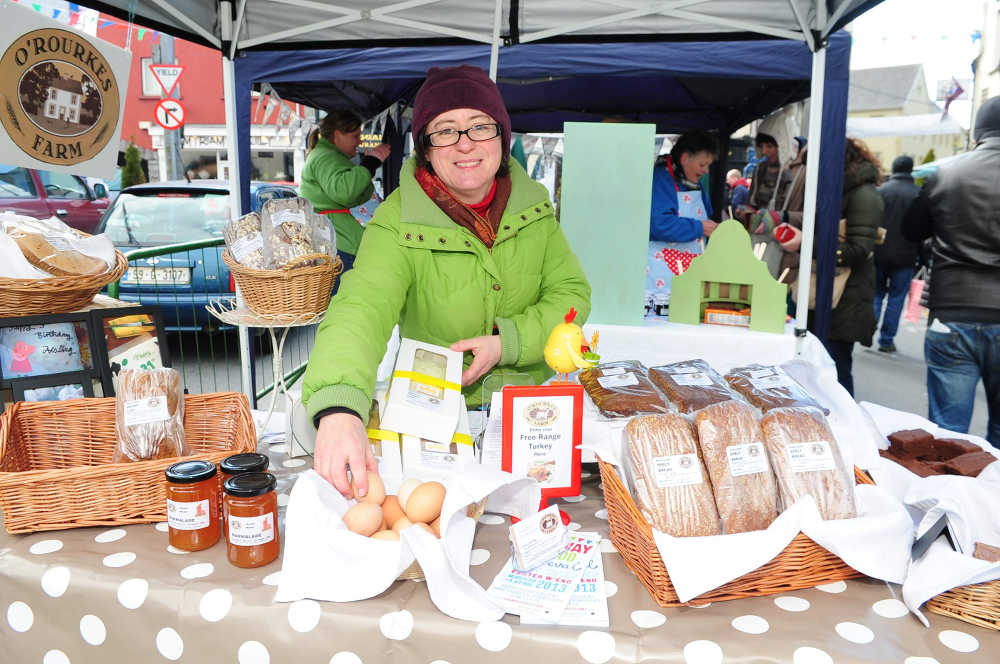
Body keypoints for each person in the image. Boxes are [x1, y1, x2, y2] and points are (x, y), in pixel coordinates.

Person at [301, 65, 591, 496]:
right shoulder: (398, 221)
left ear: (502, 136)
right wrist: (340, 406)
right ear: (426, 148)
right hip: (434, 425)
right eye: (445, 130)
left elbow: (571, 295)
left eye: (480, 127)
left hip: (530, 425)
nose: (465, 144)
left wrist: (506, 342)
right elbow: (361, 308)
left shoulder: (534, 209)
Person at [902, 96, 1000, 446]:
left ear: (978, 132)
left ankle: (952, 500)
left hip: (952, 311)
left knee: (947, 433)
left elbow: (911, 229)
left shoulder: (946, 174)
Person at [819, 138, 882, 396]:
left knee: (837, 370)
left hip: (848, 296)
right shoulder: (846, 189)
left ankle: (846, 430)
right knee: (828, 368)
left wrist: (809, 246)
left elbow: (859, 249)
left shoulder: (864, 194)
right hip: (835, 293)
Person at [299, 110, 391, 279]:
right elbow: (345, 192)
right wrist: (371, 163)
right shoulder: (326, 158)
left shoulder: (326, 156)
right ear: (337, 135)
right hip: (339, 244)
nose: (360, 141)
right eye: (355, 136)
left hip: (337, 241)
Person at [646, 130, 718, 314]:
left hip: (690, 270)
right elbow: (658, 224)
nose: (706, 170)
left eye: (708, 165)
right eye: (702, 164)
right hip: (662, 276)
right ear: (685, 158)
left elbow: (707, 214)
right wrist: (699, 227)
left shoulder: (694, 181)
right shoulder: (661, 179)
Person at [872, 155, 920, 353]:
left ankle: (868, 331)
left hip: (879, 252)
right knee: (896, 298)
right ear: (910, 170)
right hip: (907, 256)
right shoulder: (918, 193)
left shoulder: (882, 191)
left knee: (876, 294)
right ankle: (886, 340)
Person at [743, 132, 782, 214]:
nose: (764, 151)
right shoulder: (760, 168)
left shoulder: (789, 172)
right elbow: (752, 199)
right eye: (761, 146)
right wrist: (748, 209)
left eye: (769, 146)